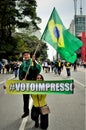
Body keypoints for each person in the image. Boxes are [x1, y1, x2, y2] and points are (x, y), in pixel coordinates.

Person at [19, 51, 41, 118]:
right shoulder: (22, 64)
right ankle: (26, 112)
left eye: (27, 55)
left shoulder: (33, 62)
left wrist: (34, 62)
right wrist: (22, 78)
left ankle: (36, 113)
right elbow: (20, 74)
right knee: (25, 99)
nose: (26, 56)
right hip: (25, 84)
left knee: (35, 99)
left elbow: (38, 69)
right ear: (23, 56)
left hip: (33, 84)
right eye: (24, 55)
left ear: (29, 55)